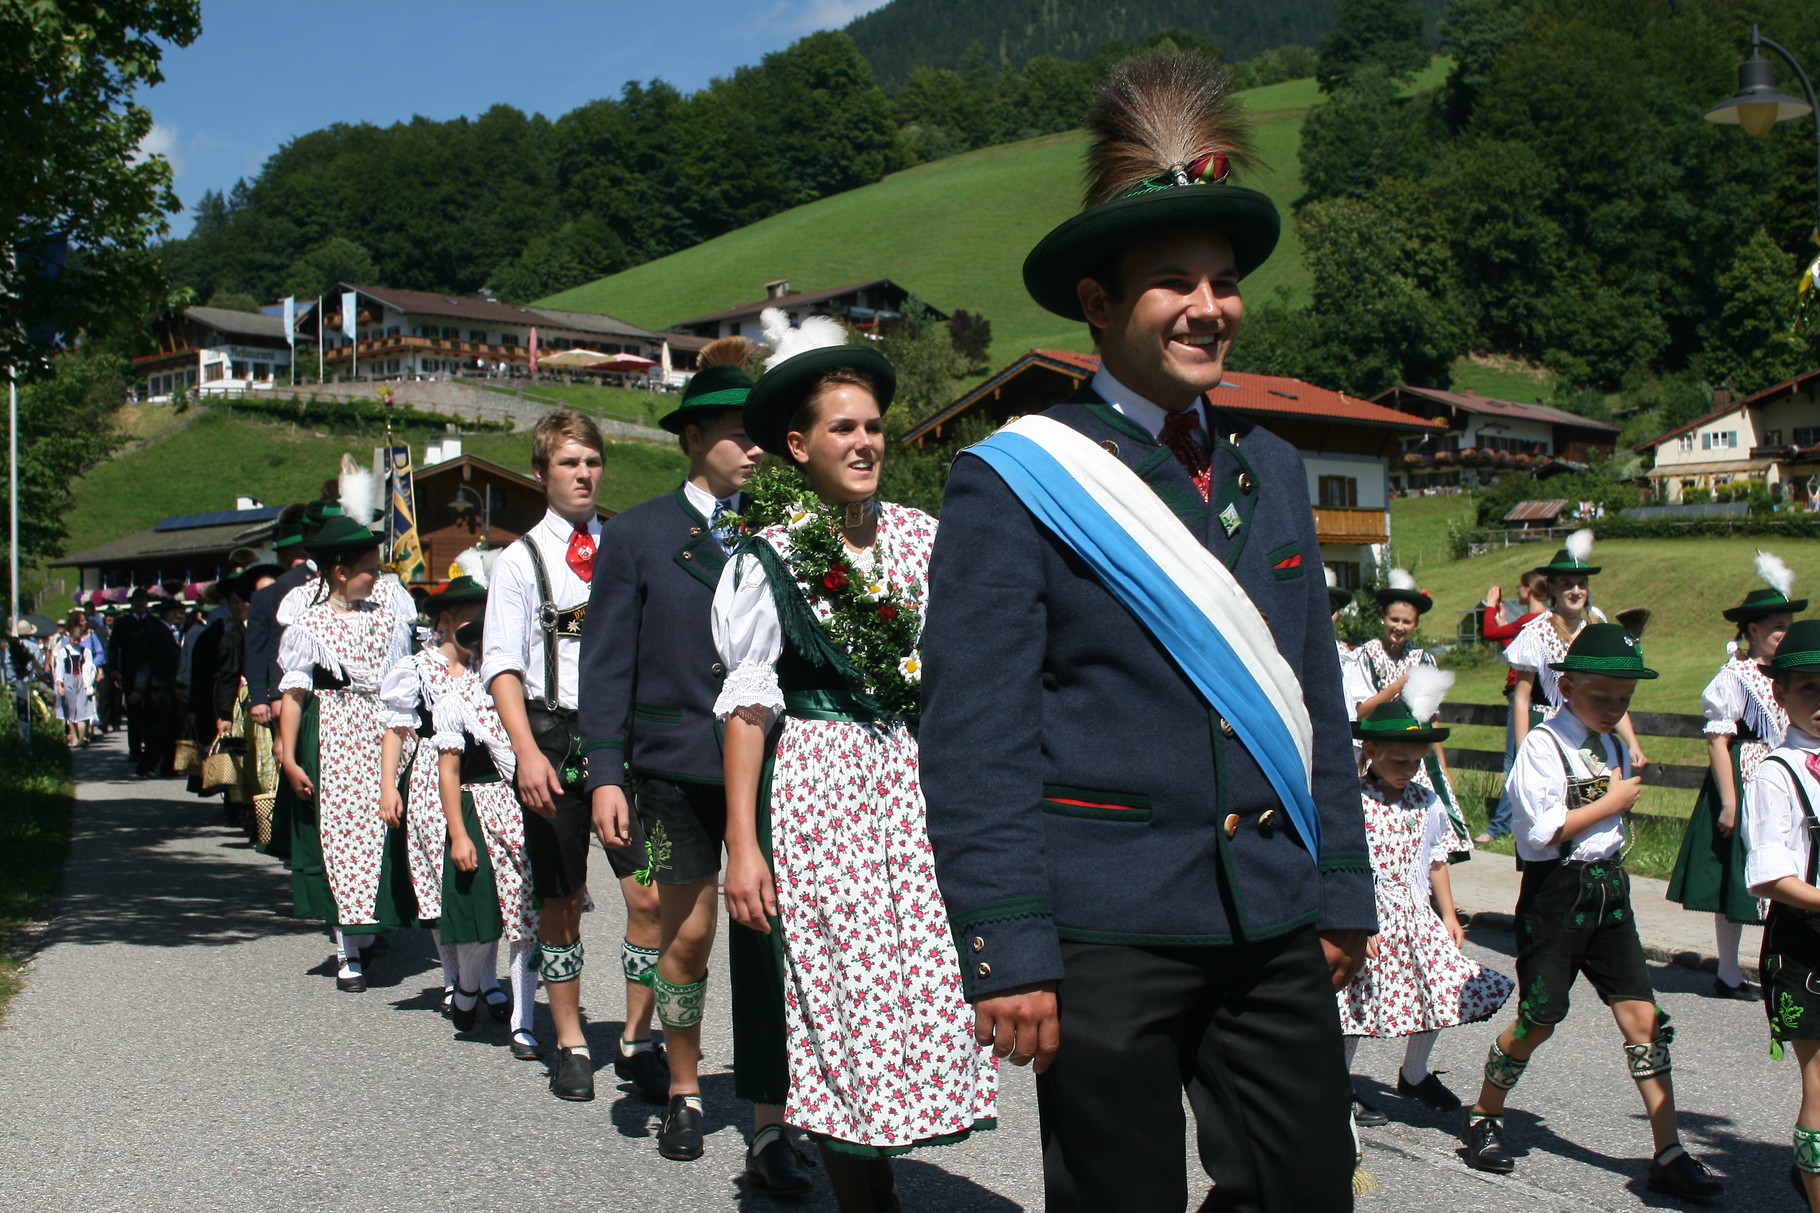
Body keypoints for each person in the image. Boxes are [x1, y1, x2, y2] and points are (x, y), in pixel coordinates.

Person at [918, 52, 1373, 1212]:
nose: (1207, 306)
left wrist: (1340, 888)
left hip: (1267, 909)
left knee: (1304, 1188)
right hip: (1103, 919)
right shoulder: (1015, 479)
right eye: (1172, 279)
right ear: (1097, 303)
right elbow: (976, 736)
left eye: (1222, 279)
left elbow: (1314, 697)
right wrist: (1007, 943)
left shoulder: (1269, 470)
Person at [713, 311, 996, 1208]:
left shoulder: (922, 537)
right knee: (840, 999)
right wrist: (742, 846)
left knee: (923, 985)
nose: (865, 441)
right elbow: (750, 710)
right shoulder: (772, 558)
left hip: (915, 792)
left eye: (873, 425)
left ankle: (894, 1133)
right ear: (798, 446)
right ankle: (865, 1195)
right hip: (820, 797)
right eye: (844, 427)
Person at [580, 336, 811, 1190]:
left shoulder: (786, 534)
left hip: (771, 764)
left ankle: (768, 1120)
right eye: (735, 430)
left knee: (768, 935)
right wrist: (605, 768)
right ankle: (682, 1083)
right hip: (670, 764)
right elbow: (603, 663)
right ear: (690, 439)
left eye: (763, 431)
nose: (754, 445)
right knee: (687, 928)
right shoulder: (638, 534)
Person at [1460, 624, 1722, 1199]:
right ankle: (1484, 1113)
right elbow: (1545, 833)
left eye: (1624, 700)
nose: (1613, 709)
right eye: (1601, 696)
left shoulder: (1605, 745)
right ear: (1567, 683)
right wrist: (1615, 799)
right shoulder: (1542, 745)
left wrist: (1611, 800)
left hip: (1609, 891)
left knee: (1645, 1022)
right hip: (1556, 894)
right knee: (1540, 1017)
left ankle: (1669, 1149)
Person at [481, 409, 664, 1103]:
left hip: (621, 744)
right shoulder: (519, 560)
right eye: (568, 462)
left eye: (592, 461)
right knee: (560, 899)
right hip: (552, 742)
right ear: (541, 472)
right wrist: (525, 752)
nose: (584, 474)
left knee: (648, 893)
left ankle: (637, 1036)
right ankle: (568, 1038)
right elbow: (500, 666)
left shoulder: (625, 545)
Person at [1342, 667, 1512, 1128]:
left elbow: (1436, 857)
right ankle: (1338, 1084)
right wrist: (1352, 918)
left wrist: (1449, 913)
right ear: (1371, 751)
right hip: (1370, 914)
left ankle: (1414, 1072)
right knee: (1359, 997)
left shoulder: (1425, 799)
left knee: (1439, 987)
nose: (1408, 770)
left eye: (1415, 761)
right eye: (1398, 760)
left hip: (1415, 911)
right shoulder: (1351, 802)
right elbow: (1344, 863)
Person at [275, 515, 418, 993]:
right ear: (339, 572)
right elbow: (295, 692)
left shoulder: (386, 616)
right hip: (337, 733)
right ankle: (347, 949)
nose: (377, 578)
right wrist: (290, 756)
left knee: (386, 830)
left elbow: (402, 682)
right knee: (339, 837)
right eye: (369, 570)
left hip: (383, 730)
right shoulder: (309, 624)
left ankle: (377, 922)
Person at [1668, 552, 1797, 1000]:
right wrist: (1730, 800)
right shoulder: (1736, 676)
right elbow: (1718, 740)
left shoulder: (1797, 674)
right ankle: (1728, 971)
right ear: (1752, 631)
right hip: (1747, 777)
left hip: (1790, 778)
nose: (1784, 634)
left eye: (1788, 625)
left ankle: (1785, 966)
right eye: (1776, 626)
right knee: (1738, 878)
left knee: (1792, 872)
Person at [382, 557, 494, 1028]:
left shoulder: (491, 666)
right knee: (444, 877)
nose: (479, 626)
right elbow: (396, 727)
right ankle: (453, 978)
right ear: (446, 620)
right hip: (434, 774)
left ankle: (485, 978)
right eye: (470, 616)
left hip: (487, 780)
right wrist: (388, 784)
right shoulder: (418, 669)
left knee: (488, 879)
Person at [1740, 617, 1820, 1209]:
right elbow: (1770, 876)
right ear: (1781, 693)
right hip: (1806, 941)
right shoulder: (1775, 773)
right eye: (1809, 688)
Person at [431, 617, 539, 1053]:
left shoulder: (536, 699)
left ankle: (523, 1019)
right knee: (480, 923)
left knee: (527, 922)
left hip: (529, 812)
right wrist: (458, 832)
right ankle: (469, 986)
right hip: (480, 811)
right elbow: (449, 771)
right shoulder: (459, 700)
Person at [1343, 570, 1470, 854]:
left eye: (1406, 621)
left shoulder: (1423, 658)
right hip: (1379, 751)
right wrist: (1399, 685)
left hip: (1415, 751)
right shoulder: (1364, 656)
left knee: (1426, 820)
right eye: (1394, 619)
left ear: (1415, 624)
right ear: (1383, 619)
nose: (1399, 627)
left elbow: (1431, 717)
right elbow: (1361, 710)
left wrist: (1444, 769)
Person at [1504, 530, 1647, 769]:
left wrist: (1632, 742)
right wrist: (1523, 753)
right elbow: (1521, 699)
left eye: (1582, 584)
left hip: (1589, 727)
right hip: (1548, 729)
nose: (1576, 591)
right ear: (1551, 587)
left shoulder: (1595, 628)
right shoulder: (1535, 633)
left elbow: (1611, 690)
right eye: (1567, 584)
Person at [1475, 571, 1552, 843]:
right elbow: (1518, 654)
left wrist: (1490, 604)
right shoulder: (1544, 621)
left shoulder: (1531, 620)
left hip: (1523, 698)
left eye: (1521, 586)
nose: (1518, 590)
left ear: (1530, 589)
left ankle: (1499, 826)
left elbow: (1488, 632)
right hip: (1540, 698)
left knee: (1514, 761)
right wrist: (1505, 624)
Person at [52, 609, 99, 747]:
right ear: (70, 637)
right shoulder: (63, 651)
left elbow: (90, 668)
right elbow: (59, 669)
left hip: (82, 680)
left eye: (78, 640)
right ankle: (74, 737)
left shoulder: (85, 651)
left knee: (83, 708)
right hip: (68, 680)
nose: (76, 642)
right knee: (69, 709)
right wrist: (59, 684)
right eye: (74, 639)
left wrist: (89, 683)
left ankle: (82, 736)